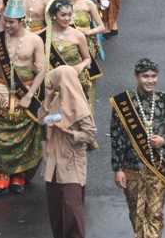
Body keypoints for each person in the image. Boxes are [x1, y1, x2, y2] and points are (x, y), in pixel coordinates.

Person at [0, 0, 47, 197]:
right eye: (5, 21)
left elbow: (42, 70)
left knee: (23, 137)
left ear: (22, 21)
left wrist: (29, 95)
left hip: (25, 94)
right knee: (0, 136)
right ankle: (0, 178)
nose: (6, 25)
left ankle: (18, 177)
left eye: (11, 22)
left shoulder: (35, 40)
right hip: (1, 91)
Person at [110, 58, 165, 238]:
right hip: (131, 167)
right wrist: (118, 169)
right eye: (145, 76)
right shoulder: (123, 102)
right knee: (137, 215)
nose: (150, 80)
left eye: (154, 76)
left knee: (155, 214)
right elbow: (117, 138)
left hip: (157, 166)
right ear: (136, 77)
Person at [40, 64, 96, 238]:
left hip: (71, 162)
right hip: (53, 162)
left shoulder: (79, 105)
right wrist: (48, 97)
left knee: (72, 210)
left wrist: (66, 131)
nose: (51, 82)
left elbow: (89, 134)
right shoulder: (57, 100)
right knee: (56, 208)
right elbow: (42, 119)